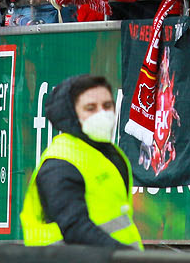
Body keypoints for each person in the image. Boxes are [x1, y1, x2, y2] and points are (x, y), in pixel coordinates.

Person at [21, 74, 142, 247]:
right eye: (90, 108)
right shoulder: (60, 163)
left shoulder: (110, 154)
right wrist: (124, 255)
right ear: (70, 114)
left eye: (107, 106)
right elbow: (74, 228)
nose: (102, 114)